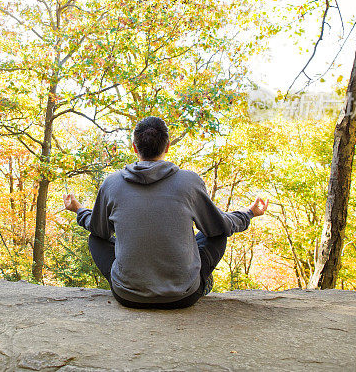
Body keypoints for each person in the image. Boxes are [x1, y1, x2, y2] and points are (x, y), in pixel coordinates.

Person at [63, 116, 268, 309]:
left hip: (128, 297)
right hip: (183, 297)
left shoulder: (112, 183)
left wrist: (79, 210)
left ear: (134, 147)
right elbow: (219, 226)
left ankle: (131, 283)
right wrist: (248, 213)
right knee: (217, 233)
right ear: (167, 146)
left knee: (96, 239)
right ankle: (200, 282)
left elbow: (99, 230)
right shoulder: (189, 181)